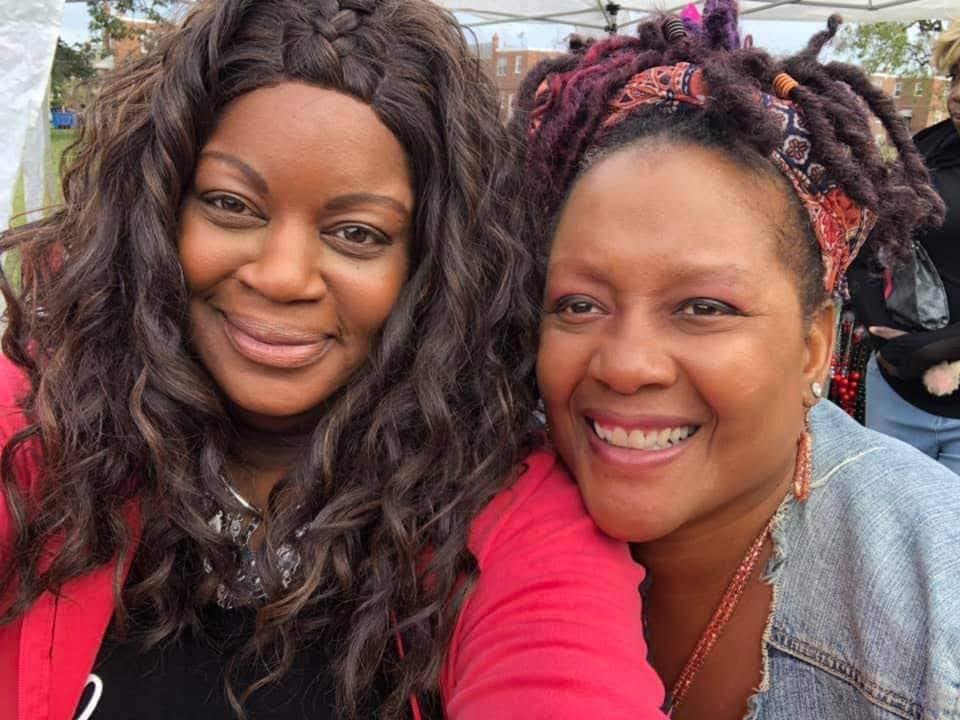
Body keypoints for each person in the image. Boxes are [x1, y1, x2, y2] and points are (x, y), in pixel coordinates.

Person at [0, 1, 666, 718]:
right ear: (158, 211)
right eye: (231, 204)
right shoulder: (47, 426)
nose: (282, 277)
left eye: (357, 233)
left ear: (433, 268)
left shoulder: (510, 517)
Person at [513, 3, 959, 718]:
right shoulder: (467, 521)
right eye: (579, 304)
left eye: (704, 307)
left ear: (813, 346)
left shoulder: (935, 605)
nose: (625, 366)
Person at [847, 22, 960, 472]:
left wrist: (931, 347)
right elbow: (867, 244)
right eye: (955, 77)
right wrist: (877, 328)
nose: (957, 95)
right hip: (896, 392)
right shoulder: (924, 152)